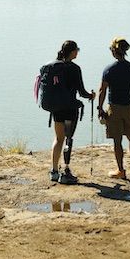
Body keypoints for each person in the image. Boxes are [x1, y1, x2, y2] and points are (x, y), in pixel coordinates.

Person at [35, 39, 94, 185]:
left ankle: (54, 171)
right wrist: (91, 96)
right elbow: (81, 91)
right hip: (70, 109)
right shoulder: (74, 68)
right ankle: (66, 172)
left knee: (58, 138)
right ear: (73, 52)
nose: (77, 54)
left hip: (56, 109)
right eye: (77, 51)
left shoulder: (51, 66)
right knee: (68, 139)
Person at [98, 36, 130, 181]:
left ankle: (121, 170)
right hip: (128, 107)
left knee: (117, 140)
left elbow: (102, 90)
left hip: (114, 108)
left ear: (114, 51)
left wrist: (100, 108)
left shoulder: (109, 69)